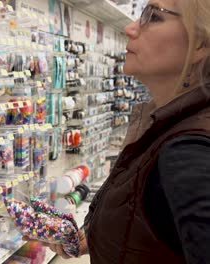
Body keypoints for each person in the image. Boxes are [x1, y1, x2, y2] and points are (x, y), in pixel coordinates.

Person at [29, 0, 210, 263]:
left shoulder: (188, 151)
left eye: (153, 16)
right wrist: (100, 235)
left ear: (200, 44)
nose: (130, 28)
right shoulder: (167, 127)